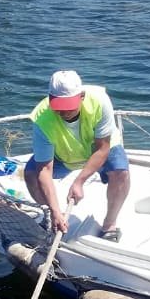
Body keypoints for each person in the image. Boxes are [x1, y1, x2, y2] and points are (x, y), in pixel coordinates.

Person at [24, 70, 130, 241]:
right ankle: (51, 216)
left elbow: (102, 149)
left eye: (69, 106)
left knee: (121, 172)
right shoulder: (41, 118)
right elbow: (44, 168)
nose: (64, 112)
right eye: (58, 106)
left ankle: (110, 224)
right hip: (63, 152)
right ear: (50, 99)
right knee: (31, 175)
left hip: (96, 146)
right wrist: (55, 210)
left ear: (81, 96)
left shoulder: (99, 101)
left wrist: (79, 181)